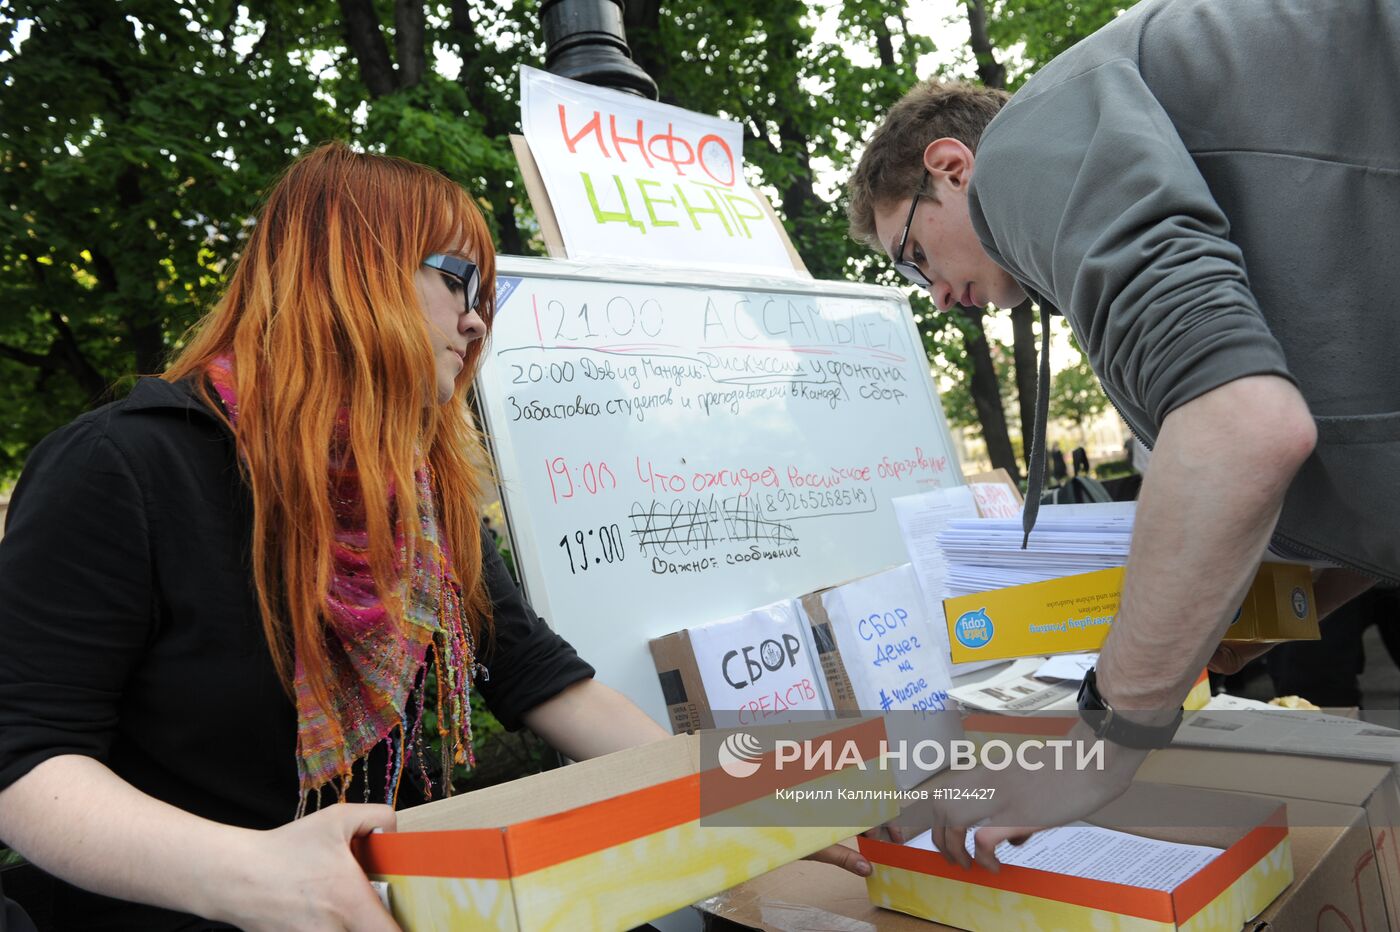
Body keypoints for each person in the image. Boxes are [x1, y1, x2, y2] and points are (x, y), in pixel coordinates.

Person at [0, 144, 865, 930]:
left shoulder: (421, 497)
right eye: (458, 279)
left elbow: (538, 676)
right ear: (349, 267)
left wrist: (745, 795)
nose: (479, 321)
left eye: (488, 295)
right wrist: (252, 873)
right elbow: (27, 760)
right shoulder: (124, 466)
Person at [846, 0, 1397, 870]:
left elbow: (1243, 425)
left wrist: (1099, 743)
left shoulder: (1025, 151)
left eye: (913, 255)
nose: (940, 295)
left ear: (952, 169)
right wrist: (1288, 597)